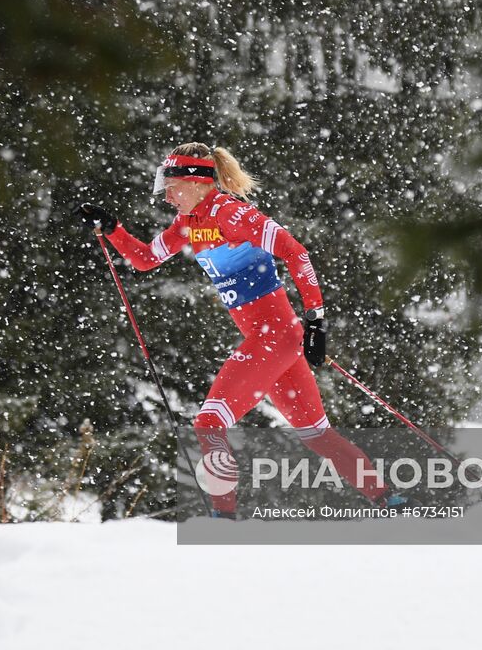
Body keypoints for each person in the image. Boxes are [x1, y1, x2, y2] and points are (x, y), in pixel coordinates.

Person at [75, 143, 391, 518]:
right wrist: (112, 228)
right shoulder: (188, 224)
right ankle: (391, 500)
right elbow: (145, 259)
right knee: (317, 435)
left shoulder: (233, 213)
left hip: (275, 337)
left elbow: (297, 253)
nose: (168, 195)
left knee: (209, 422)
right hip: (275, 340)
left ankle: (223, 519)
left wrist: (316, 322)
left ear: (198, 182)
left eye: (173, 186)